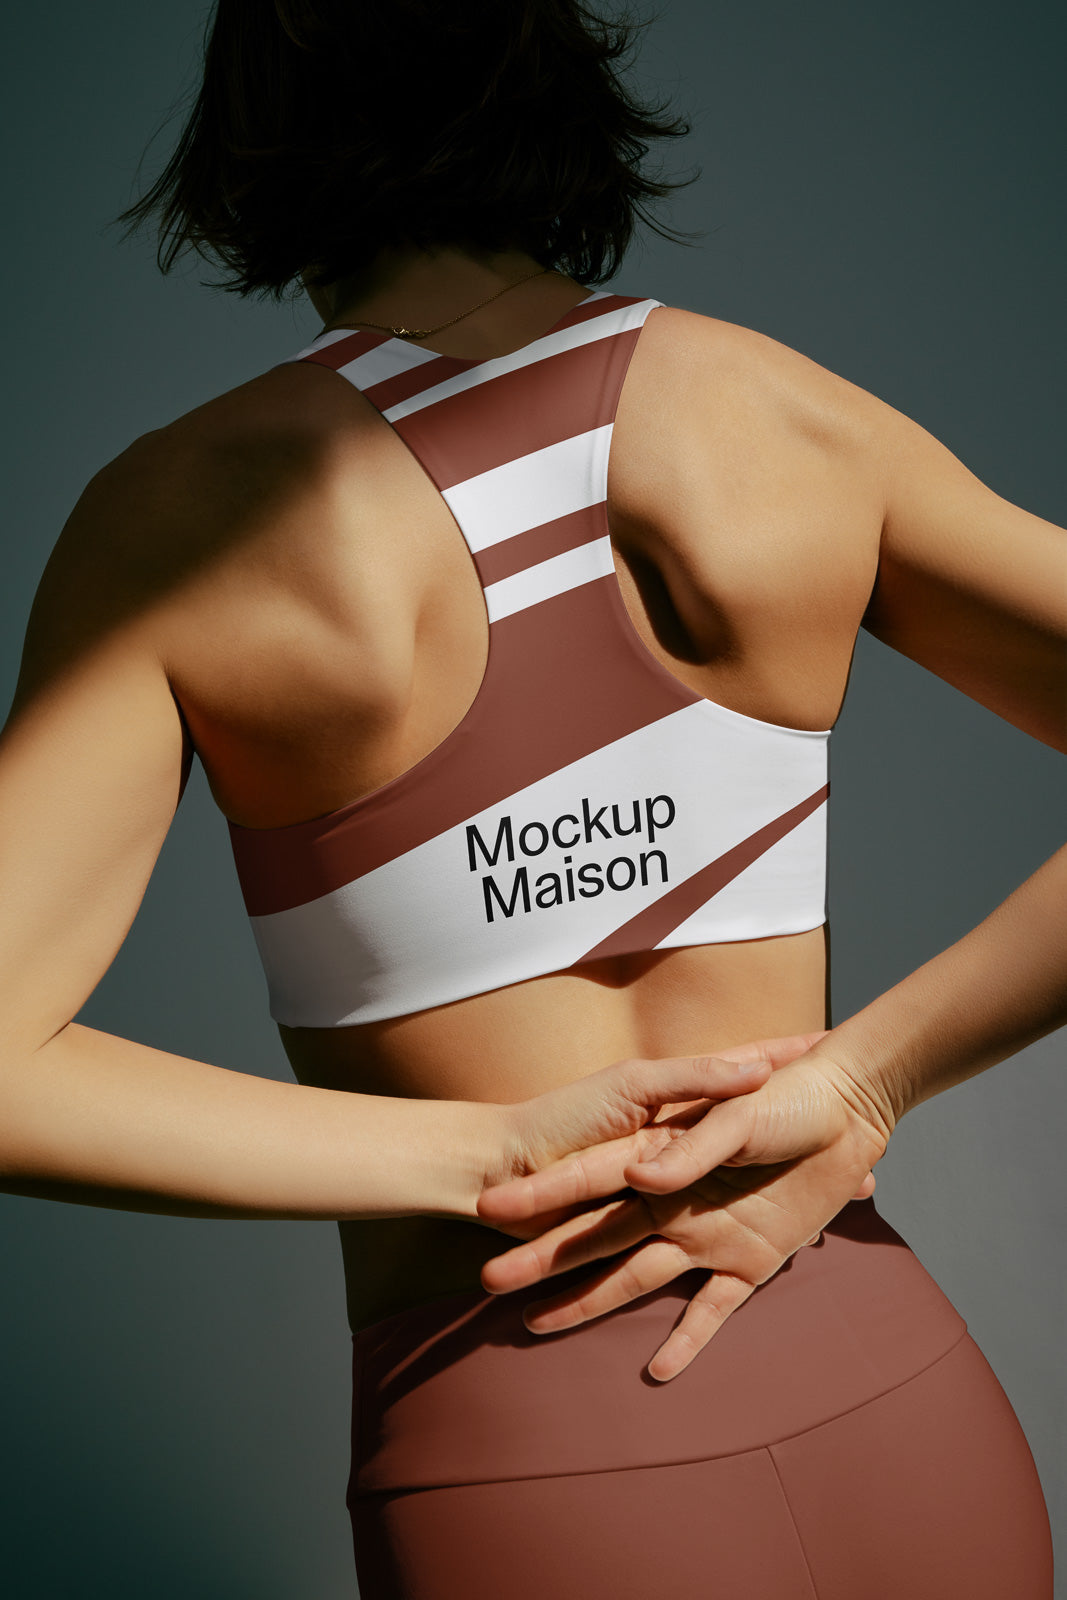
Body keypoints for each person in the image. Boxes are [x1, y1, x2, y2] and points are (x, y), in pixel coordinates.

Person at [0, 1, 1062, 1595]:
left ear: (255, 123)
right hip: (900, 1399)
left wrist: (481, 1154)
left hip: (531, 1450)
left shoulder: (186, 517)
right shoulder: (778, 415)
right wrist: (864, 1087)